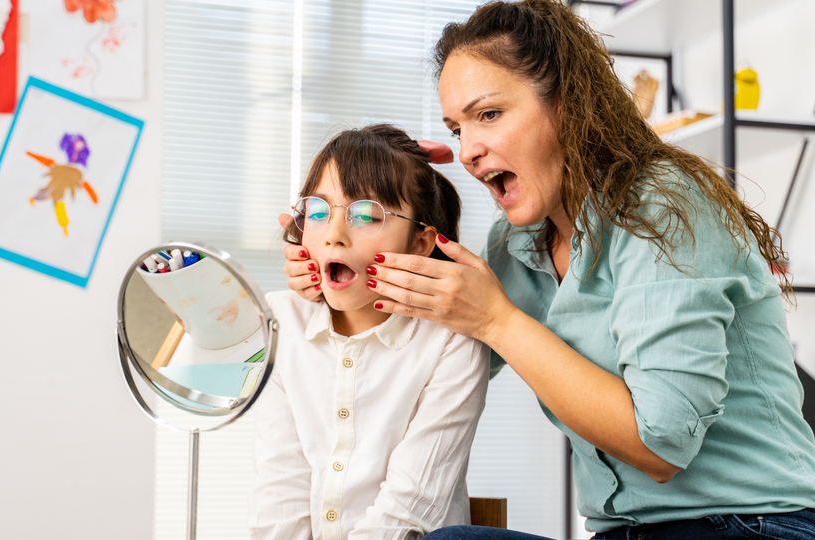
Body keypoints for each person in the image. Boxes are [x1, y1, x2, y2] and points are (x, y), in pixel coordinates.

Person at [281, 1, 815, 539]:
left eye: (487, 115)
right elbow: (425, 360)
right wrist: (344, 266)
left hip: (754, 525)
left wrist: (497, 320)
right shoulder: (515, 244)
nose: (468, 150)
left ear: (570, 105)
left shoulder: (663, 205)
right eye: (456, 128)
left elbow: (662, 443)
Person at [250, 124, 490, 540]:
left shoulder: (452, 337)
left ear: (420, 243)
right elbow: (279, 495)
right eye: (319, 212)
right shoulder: (279, 321)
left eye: (365, 216)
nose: (334, 237)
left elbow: (409, 508)